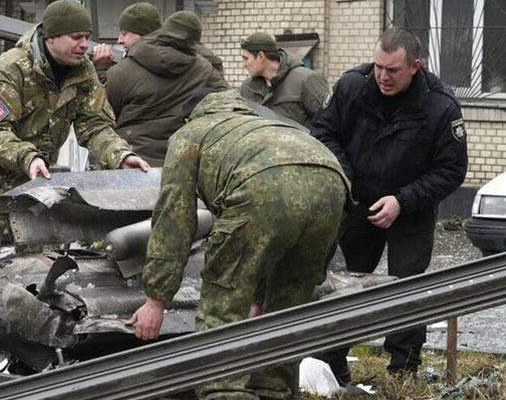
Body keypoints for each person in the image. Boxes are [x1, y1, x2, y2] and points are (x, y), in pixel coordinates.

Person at [127, 88, 348, 400]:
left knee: (223, 302)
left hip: (263, 187)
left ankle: (224, 391)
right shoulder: (261, 125)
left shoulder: (190, 134)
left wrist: (156, 300)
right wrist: (260, 296)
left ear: (188, 117)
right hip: (332, 182)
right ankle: (274, 390)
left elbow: (174, 218)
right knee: (287, 304)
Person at [310, 27, 468, 383]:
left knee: (406, 288)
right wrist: (344, 176)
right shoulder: (353, 86)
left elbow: (452, 169)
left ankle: (403, 371)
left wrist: (402, 200)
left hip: (410, 209)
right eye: (378, 66)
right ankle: (331, 364)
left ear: (415, 66)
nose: (383, 76)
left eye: (392, 70)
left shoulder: (440, 106)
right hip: (358, 202)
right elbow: (323, 132)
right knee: (342, 285)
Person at [0, 0, 149, 263]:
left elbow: (95, 125)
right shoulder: (12, 67)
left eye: (87, 37)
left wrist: (120, 156)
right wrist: (28, 157)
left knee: (38, 266)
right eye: (76, 36)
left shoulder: (84, 72)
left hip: (33, 179)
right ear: (51, 37)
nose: (83, 45)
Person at [105, 11, 227, 166]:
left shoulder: (123, 70)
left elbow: (103, 118)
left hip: (132, 162)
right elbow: (229, 104)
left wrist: (101, 71)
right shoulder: (205, 70)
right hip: (182, 166)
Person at [239, 32, 328, 128]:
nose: (243, 64)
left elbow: (329, 123)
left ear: (260, 56)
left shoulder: (306, 80)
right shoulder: (247, 88)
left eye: (246, 58)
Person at [92, 1, 162, 80]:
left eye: (124, 34)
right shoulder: (162, 60)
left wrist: (101, 68)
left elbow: (115, 90)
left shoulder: (143, 68)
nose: (119, 40)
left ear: (143, 34)